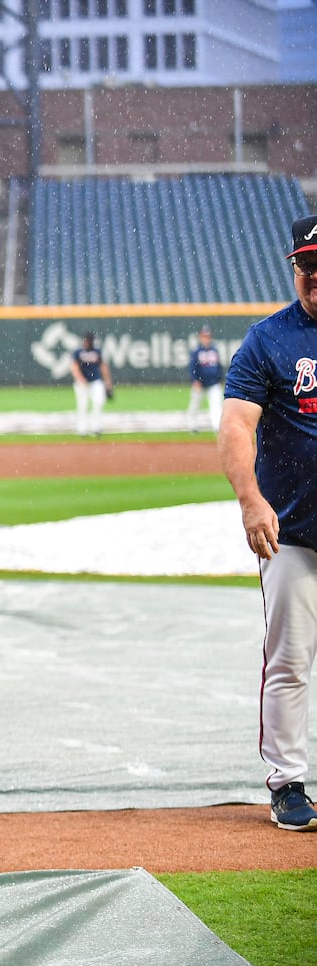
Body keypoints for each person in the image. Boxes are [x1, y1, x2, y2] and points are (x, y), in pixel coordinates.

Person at [217, 213, 317, 833]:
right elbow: (236, 425)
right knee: (290, 657)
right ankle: (286, 782)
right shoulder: (269, 340)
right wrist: (251, 499)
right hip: (294, 530)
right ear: (295, 270)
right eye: (308, 267)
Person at [70, 331, 113, 437]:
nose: (87, 342)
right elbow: (74, 367)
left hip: (96, 381)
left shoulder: (97, 351)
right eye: (86, 340)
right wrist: (80, 378)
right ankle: (82, 429)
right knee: (83, 406)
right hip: (82, 383)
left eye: (89, 340)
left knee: (98, 402)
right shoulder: (78, 352)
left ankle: (96, 427)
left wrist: (108, 382)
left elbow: (103, 367)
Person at [187, 325, 224, 433]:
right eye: (204, 336)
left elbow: (218, 366)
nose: (206, 338)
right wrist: (195, 380)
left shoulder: (214, 350)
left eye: (208, 336)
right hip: (200, 383)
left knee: (216, 406)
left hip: (214, 383)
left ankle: (217, 427)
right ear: (200, 337)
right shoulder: (196, 351)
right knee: (195, 405)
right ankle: (192, 426)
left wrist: (220, 378)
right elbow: (192, 367)